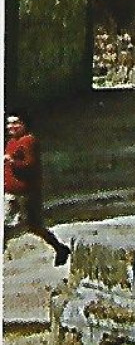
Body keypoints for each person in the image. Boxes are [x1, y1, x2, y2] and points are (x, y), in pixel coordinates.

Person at [4, 113, 71, 265]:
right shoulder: (11, 142)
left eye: (16, 123)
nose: (11, 127)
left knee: (33, 225)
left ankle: (60, 249)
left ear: (24, 124)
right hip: (11, 192)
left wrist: (12, 161)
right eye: (9, 124)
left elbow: (30, 165)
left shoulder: (29, 141)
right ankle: (60, 248)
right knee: (10, 226)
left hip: (25, 192)